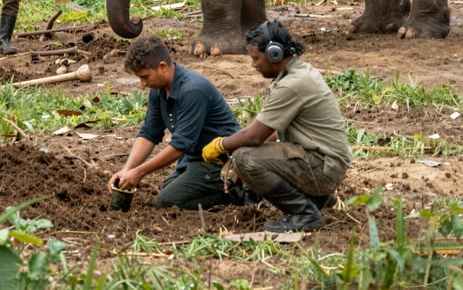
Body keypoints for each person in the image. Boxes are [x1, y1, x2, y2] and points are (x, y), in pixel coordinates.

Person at [202, 20, 353, 233]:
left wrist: (221, 145)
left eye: (256, 58)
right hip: (327, 162)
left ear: (274, 53)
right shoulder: (299, 71)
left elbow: (254, 136)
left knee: (246, 159)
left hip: (323, 167)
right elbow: (270, 132)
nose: (253, 64)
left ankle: (304, 214)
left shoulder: (291, 85)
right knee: (246, 155)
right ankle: (316, 200)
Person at [108, 34, 250, 210]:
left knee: (168, 201)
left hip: (221, 162)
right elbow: (149, 133)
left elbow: (180, 145)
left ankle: (243, 193)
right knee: (168, 192)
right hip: (195, 159)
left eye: (145, 77)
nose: (142, 84)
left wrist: (139, 172)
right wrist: (127, 170)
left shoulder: (193, 90)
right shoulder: (158, 90)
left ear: (162, 67)